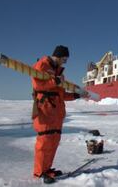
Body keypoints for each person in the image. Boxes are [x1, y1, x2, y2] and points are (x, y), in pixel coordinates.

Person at [31, 45, 87, 184]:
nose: (64, 62)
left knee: (53, 142)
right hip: (45, 110)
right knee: (44, 142)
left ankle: (47, 169)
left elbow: (60, 94)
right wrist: (54, 81)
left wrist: (75, 95)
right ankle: (39, 172)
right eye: (64, 59)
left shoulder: (58, 72)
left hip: (56, 112)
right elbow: (38, 86)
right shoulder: (41, 65)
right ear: (58, 56)